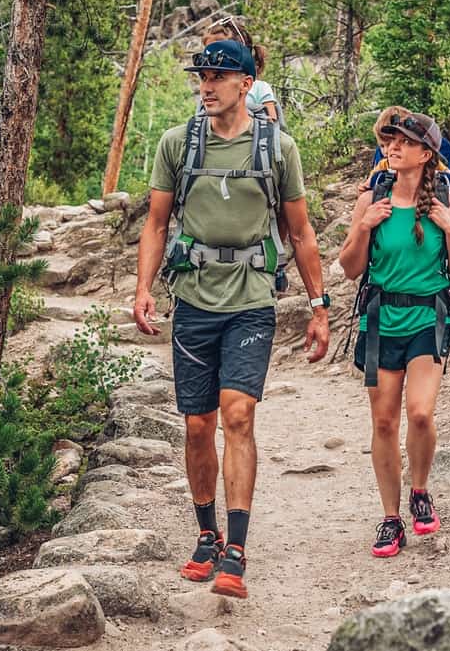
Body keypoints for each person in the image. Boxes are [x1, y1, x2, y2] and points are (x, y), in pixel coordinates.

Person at [134, 39, 331, 598]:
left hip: (251, 298)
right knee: (198, 426)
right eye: (202, 75)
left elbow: (301, 231)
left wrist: (319, 307)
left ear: (246, 83)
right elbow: (155, 223)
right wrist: (143, 288)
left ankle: (236, 551)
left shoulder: (278, 149)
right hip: (193, 298)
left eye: (219, 75)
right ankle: (206, 537)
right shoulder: (177, 144)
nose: (207, 84)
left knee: (237, 414)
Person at [337, 110, 450, 558]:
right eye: (388, 141)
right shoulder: (371, 199)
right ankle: (391, 518)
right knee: (383, 422)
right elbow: (350, 267)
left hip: (428, 317)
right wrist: (363, 227)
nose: (391, 148)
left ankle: (420, 491)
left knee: (419, 413)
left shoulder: (448, 200)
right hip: (380, 318)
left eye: (401, 142)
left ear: (425, 152)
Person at [201, 16, 281, 123]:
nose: (211, 56)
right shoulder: (208, 92)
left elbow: (272, 121)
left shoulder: (260, 88)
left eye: (218, 51)